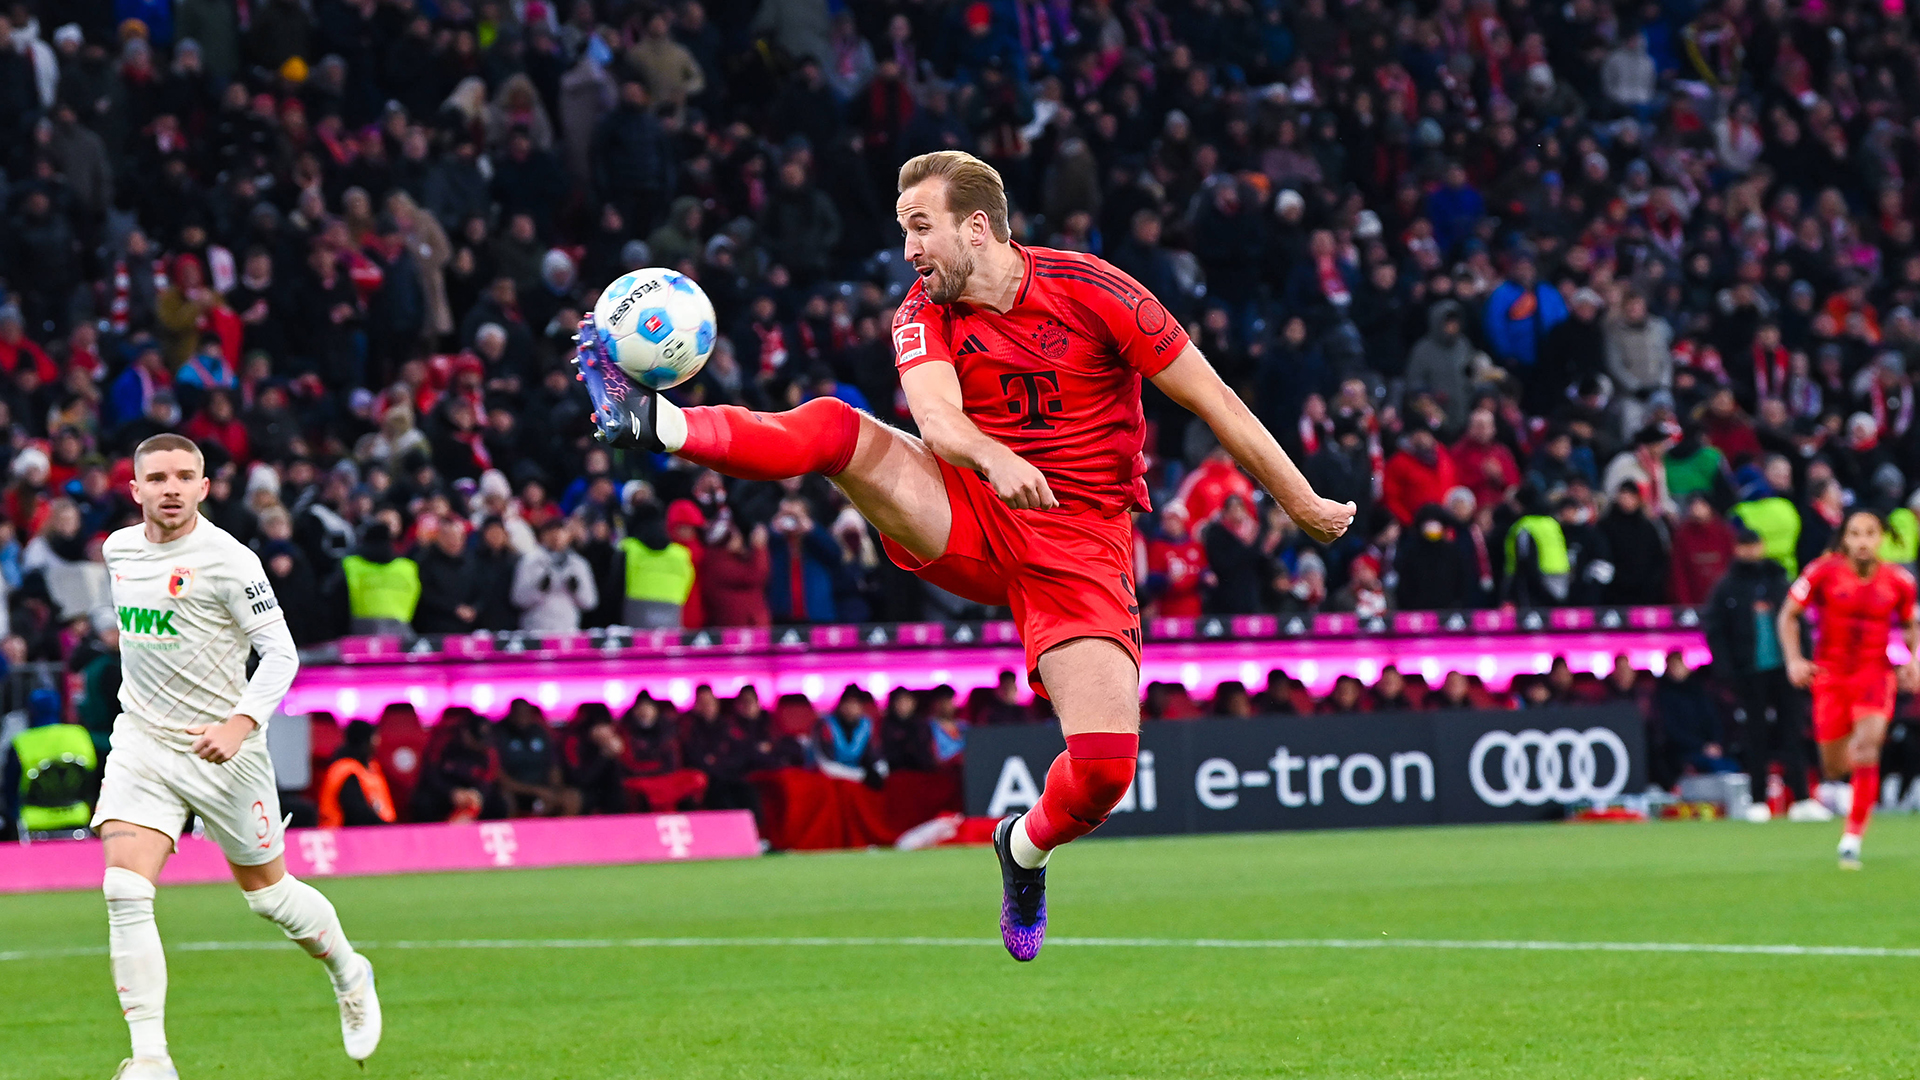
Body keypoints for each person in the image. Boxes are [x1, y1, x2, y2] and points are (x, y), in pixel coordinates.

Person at [576, 149, 1354, 961]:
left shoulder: (1100, 292)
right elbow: (939, 421)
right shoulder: (921, 312)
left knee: (1104, 772)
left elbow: (1214, 398)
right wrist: (994, 459)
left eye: (922, 228)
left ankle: (1022, 849)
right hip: (969, 514)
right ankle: (656, 424)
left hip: (1080, 546)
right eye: (904, 230)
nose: (910, 250)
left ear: (976, 227)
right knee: (841, 430)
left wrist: (1300, 502)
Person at [89, 435, 380, 1077]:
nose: (171, 487)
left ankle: (349, 972)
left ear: (204, 487)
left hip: (226, 749)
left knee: (268, 896)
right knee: (123, 889)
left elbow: (281, 654)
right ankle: (150, 1060)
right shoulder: (118, 550)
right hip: (142, 739)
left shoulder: (230, 560)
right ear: (135, 490)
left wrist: (240, 722)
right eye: (157, 477)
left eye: (184, 476)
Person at [1778, 510, 1920, 870]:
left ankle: (1852, 838)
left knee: (1867, 747)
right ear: (1845, 539)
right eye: (1855, 533)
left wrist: (1913, 660)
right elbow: (1787, 615)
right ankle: (1844, 799)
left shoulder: (1900, 581)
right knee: (1835, 766)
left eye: (1870, 533)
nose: (1862, 541)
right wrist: (1794, 660)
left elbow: (1910, 623)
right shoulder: (1822, 571)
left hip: (1874, 675)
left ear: (1881, 538)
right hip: (1830, 677)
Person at [1705, 524, 1825, 823]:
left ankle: (1801, 799)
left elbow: (1800, 624)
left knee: (1792, 733)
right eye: (1744, 546)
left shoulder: (1779, 581)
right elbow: (1715, 630)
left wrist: (1804, 660)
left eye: (1754, 545)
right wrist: (1727, 670)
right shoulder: (1726, 587)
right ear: (1737, 549)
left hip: (1786, 669)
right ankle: (1758, 801)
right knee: (1755, 736)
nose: (1750, 551)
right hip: (1750, 672)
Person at [512, 517, 599, 632]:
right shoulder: (530, 561)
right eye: (551, 532)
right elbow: (518, 599)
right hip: (536, 628)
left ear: (568, 535)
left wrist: (576, 589)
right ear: (542, 536)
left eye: (560, 532)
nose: (556, 536)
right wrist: (539, 589)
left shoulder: (578, 563)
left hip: (567, 629)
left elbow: (590, 602)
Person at [316, 720, 397, 828]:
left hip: (373, 833)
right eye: (374, 738)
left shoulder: (370, 767)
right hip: (342, 836)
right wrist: (385, 827)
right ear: (365, 742)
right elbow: (356, 812)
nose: (377, 743)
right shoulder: (345, 770)